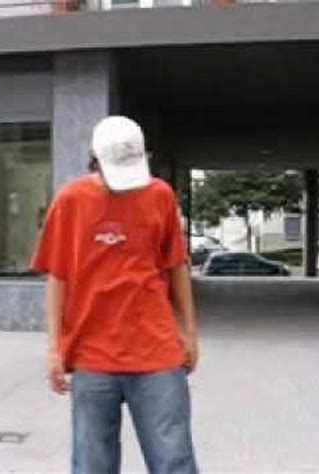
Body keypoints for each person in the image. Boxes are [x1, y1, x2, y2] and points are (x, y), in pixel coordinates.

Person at [31, 116, 199, 474]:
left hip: (157, 352)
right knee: (92, 464)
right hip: (92, 355)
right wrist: (54, 348)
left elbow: (176, 266)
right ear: (95, 159)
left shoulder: (160, 195)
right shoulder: (70, 201)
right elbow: (57, 277)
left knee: (174, 461)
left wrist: (189, 333)